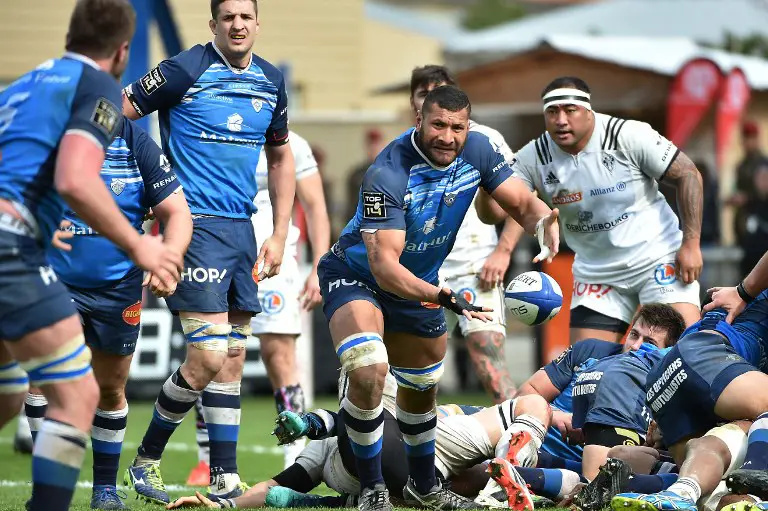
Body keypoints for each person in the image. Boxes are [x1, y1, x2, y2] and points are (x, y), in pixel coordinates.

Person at [318, 84, 560, 511]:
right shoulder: (387, 173)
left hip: (422, 283)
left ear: (468, 127)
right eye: (438, 125)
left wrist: (544, 222)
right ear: (419, 121)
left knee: (421, 390)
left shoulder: (479, 149)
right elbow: (383, 265)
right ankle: (373, 489)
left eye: (457, 127)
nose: (447, 136)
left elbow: (520, 202)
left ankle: (424, 486)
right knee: (369, 369)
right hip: (358, 277)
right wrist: (440, 295)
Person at [0, 1, 184, 510]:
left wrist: (34, 219)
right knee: (77, 396)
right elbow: (74, 179)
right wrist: (139, 244)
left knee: (9, 396)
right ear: (122, 51)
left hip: (21, 243)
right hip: (11, 249)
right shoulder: (97, 85)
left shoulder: (22, 87)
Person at [121, 0, 297, 503]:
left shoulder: (269, 80)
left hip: (242, 230)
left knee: (233, 358)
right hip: (193, 229)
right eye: (228, 17)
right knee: (208, 354)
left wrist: (279, 232)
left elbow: (280, 155)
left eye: (246, 16)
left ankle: (223, 475)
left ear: (258, 23)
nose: (238, 25)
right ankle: (146, 461)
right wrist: (142, 185)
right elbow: (115, 110)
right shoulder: (184, 69)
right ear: (214, 24)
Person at [22, 117, 192, 509]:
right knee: (44, 379)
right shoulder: (53, 133)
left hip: (119, 286)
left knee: (112, 387)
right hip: (55, 278)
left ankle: (104, 489)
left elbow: (177, 213)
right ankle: (48, 485)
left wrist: (168, 257)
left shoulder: (137, 144)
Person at [490, 76, 703, 343]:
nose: (561, 120)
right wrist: (486, 171)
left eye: (570, 110)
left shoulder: (627, 135)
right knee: (588, 371)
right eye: (552, 111)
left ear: (588, 111)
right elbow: (496, 211)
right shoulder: (534, 156)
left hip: (657, 258)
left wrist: (691, 243)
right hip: (597, 273)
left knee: (681, 354)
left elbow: (689, 175)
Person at [187, 130, 331, 485]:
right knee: (212, 353)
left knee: (279, 355)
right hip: (219, 254)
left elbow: (315, 206)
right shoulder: (216, 130)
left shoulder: (295, 144)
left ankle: (296, 453)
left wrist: (319, 268)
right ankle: (207, 459)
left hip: (276, 262)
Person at [409, 65, 522, 403]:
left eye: (441, 91)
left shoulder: (485, 140)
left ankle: (521, 445)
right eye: (425, 94)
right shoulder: (401, 149)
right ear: (414, 103)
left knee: (488, 357)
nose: (435, 100)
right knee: (418, 373)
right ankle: (417, 450)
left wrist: (502, 252)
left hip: (475, 266)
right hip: (422, 274)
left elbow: (521, 197)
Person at [609, 289, 768, 511]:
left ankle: (678, 491)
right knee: (750, 430)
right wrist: (744, 289)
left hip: (663, 377)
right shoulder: (750, 305)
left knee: (709, 466)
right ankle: (758, 485)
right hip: (704, 355)